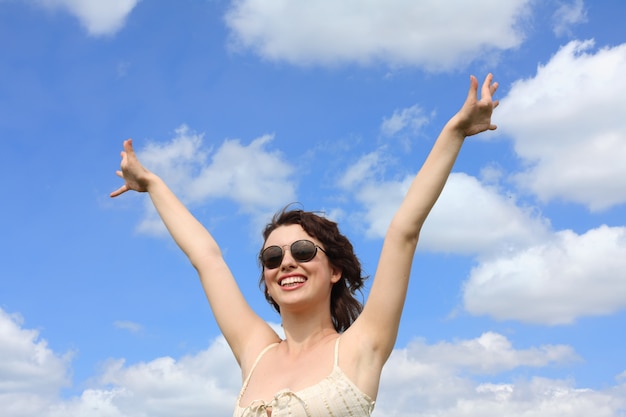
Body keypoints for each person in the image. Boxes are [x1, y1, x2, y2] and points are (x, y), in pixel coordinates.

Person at [111, 73, 498, 417]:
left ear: (334, 270)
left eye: (303, 251)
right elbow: (206, 257)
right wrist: (152, 184)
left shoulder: (359, 347)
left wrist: (454, 133)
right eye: (273, 257)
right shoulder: (256, 351)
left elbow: (403, 231)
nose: (286, 264)